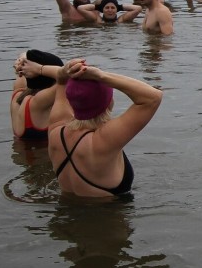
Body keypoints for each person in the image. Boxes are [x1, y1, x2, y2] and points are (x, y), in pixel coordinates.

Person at [19, 57, 162, 201]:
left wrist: (63, 73)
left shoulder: (56, 129)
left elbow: (61, 81)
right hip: (107, 219)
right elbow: (153, 97)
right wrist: (101, 75)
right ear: (108, 102)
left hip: (66, 215)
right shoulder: (104, 140)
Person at [10, 49, 63, 140]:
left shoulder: (18, 95)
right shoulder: (38, 102)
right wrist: (39, 69)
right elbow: (66, 76)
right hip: (43, 154)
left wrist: (22, 62)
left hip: (24, 153)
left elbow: (23, 66)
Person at [76, 0, 142, 24]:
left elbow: (138, 8)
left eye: (113, 8)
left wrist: (119, 7)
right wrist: (98, 7)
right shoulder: (97, 19)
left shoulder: (121, 20)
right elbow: (80, 8)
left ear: (117, 9)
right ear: (102, 9)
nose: (110, 10)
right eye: (107, 8)